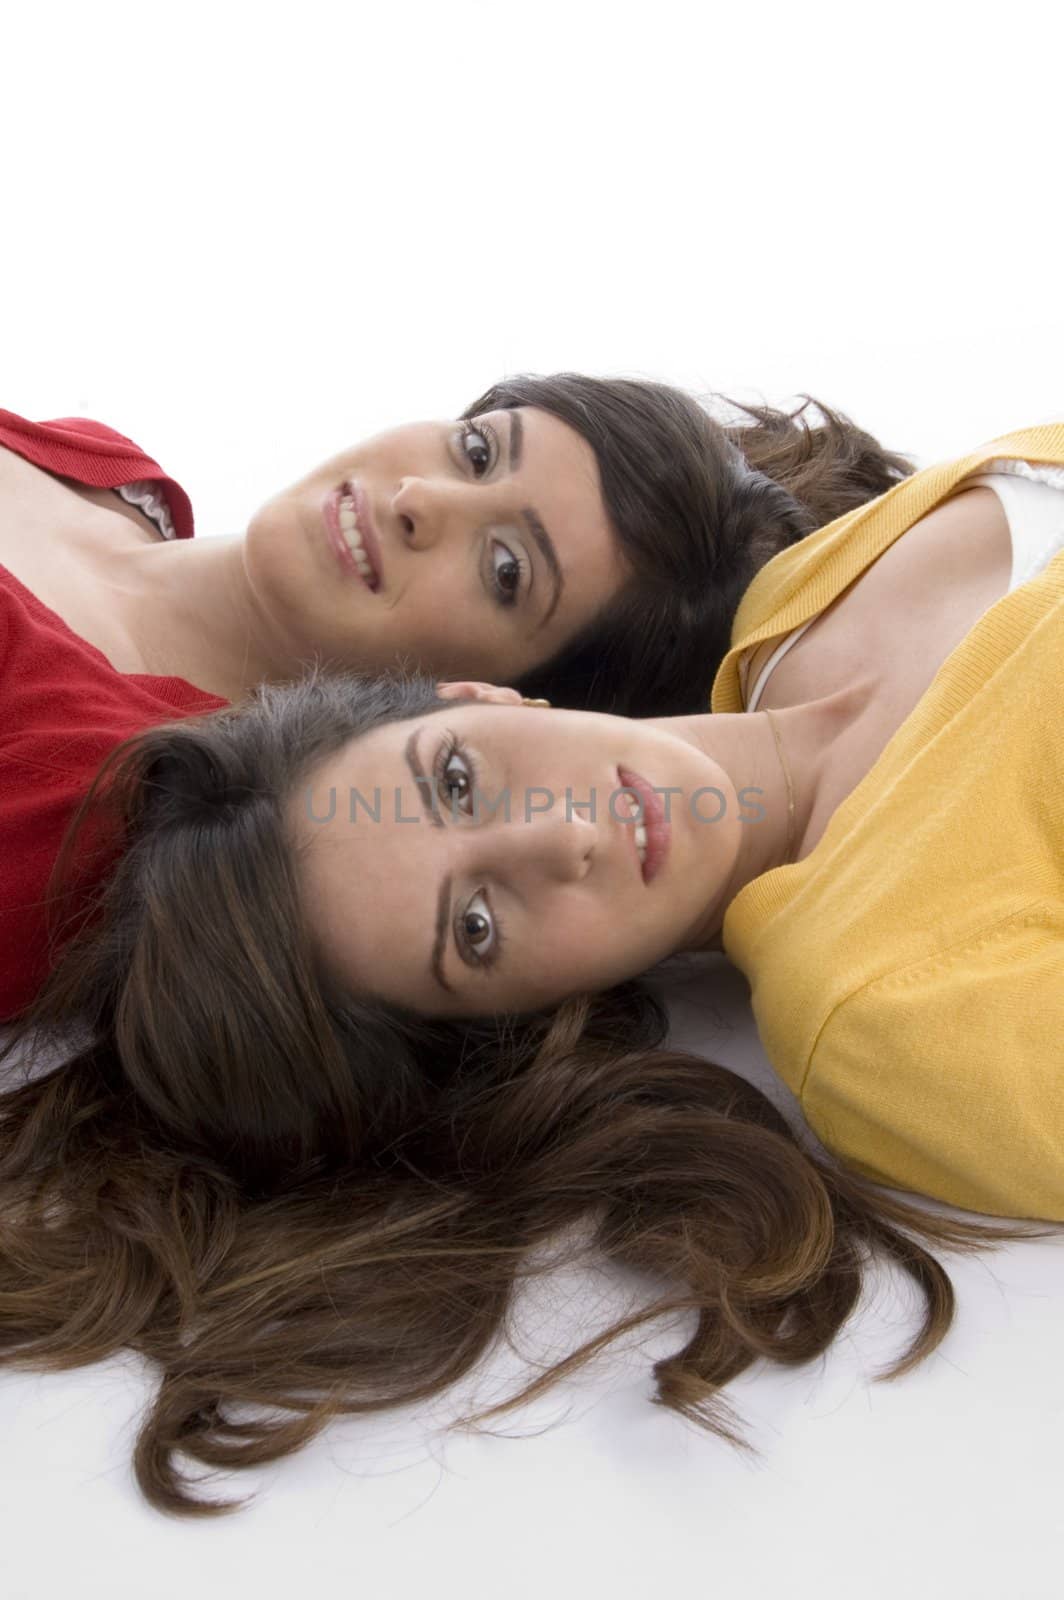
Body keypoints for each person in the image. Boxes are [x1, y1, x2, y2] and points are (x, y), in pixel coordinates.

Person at [15, 417, 1057, 1519]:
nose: (560, 839)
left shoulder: (800, 587)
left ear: (477, 697)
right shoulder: (875, 1007)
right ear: (519, 1018)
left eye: (458, 781)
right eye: (474, 928)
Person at [0, 380, 908, 1018]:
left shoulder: (85, 792)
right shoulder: (119, 476)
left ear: (498, 697)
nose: (420, 502)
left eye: (505, 570)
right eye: (479, 452)